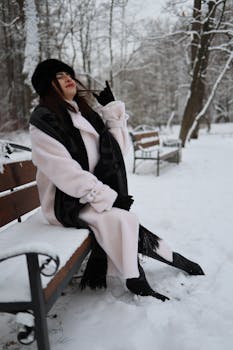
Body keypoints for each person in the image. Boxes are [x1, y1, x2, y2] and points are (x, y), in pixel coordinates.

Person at [29, 59, 204, 302]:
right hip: (64, 202)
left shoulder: (84, 114)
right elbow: (65, 173)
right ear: (47, 85)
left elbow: (118, 150)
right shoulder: (43, 122)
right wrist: (107, 197)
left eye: (68, 73)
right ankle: (138, 278)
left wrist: (111, 110)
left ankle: (170, 258)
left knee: (123, 219)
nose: (68, 77)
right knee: (122, 218)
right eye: (58, 76)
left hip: (86, 195)